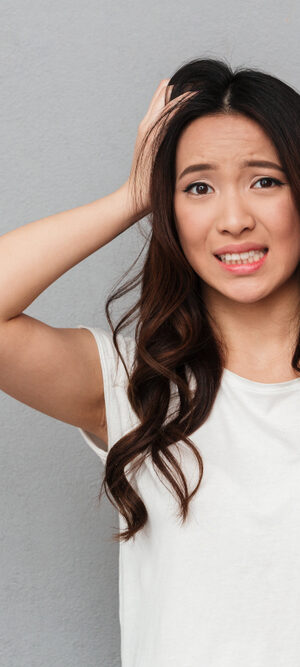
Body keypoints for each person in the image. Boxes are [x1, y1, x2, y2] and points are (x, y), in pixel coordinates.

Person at [1, 57, 300, 666]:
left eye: (265, 180)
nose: (234, 218)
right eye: (197, 187)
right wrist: (133, 194)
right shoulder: (137, 386)